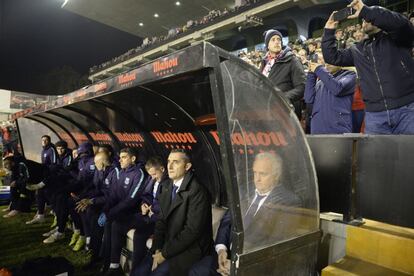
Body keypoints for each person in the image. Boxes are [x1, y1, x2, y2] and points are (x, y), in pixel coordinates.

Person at [322, 0, 414, 134]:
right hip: (375, 116)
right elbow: (332, 57)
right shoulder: (357, 49)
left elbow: (401, 24)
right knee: (377, 155)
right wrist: (329, 30)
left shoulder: (398, 37)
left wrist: (366, 10)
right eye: (363, 19)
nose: (364, 20)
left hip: (406, 109)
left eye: (368, 18)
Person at [136, 149, 213, 276]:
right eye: (169, 161)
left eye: (175, 162)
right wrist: (156, 250)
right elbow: (161, 222)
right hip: (168, 246)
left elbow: (191, 232)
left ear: (187, 166)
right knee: (139, 272)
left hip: (189, 250)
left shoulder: (198, 191)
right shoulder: (166, 186)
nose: (170, 166)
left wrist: (164, 254)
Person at [99, 147, 147, 275]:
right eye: (120, 157)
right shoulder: (122, 172)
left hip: (133, 213)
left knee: (113, 222)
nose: (120, 160)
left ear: (133, 159)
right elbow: (113, 195)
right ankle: (109, 263)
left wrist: (111, 213)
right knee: (108, 221)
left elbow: (131, 200)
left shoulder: (139, 174)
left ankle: (113, 265)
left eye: (124, 157)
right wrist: (105, 210)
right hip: (121, 211)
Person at [243, 152, 301, 251]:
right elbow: (228, 223)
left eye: (263, 174)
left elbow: (276, 243)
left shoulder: (289, 202)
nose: (257, 179)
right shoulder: (245, 191)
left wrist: (239, 259)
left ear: (276, 176)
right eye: (255, 172)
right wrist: (221, 248)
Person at [304, 52, 356, 134]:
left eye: (331, 59)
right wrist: (311, 74)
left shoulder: (350, 75)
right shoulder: (320, 81)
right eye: (326, 60)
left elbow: (337, 88)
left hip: (338, 130)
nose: (328, 63)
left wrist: (319, 69)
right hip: (317, 129)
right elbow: (308, 99)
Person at [260, 29, 306, 119]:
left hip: (287, 112)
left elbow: (302, 87)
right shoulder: (265, 63)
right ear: (267, 45)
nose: (277, 42)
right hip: (268, 112)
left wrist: (282, 98)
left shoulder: (292, 60)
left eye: (279, 39)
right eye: (273, 40)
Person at [26, 135, 57, 224]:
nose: (44, 141)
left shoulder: (51, 149)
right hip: (45, 174)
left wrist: (47, 173)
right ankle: (40, 215)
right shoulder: (44, 150)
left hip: (51, 175)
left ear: (49, 141)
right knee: (40, 193)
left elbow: (54, 164)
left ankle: (55, 213)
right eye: (42, 140)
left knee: (45, 193)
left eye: (46, 140)